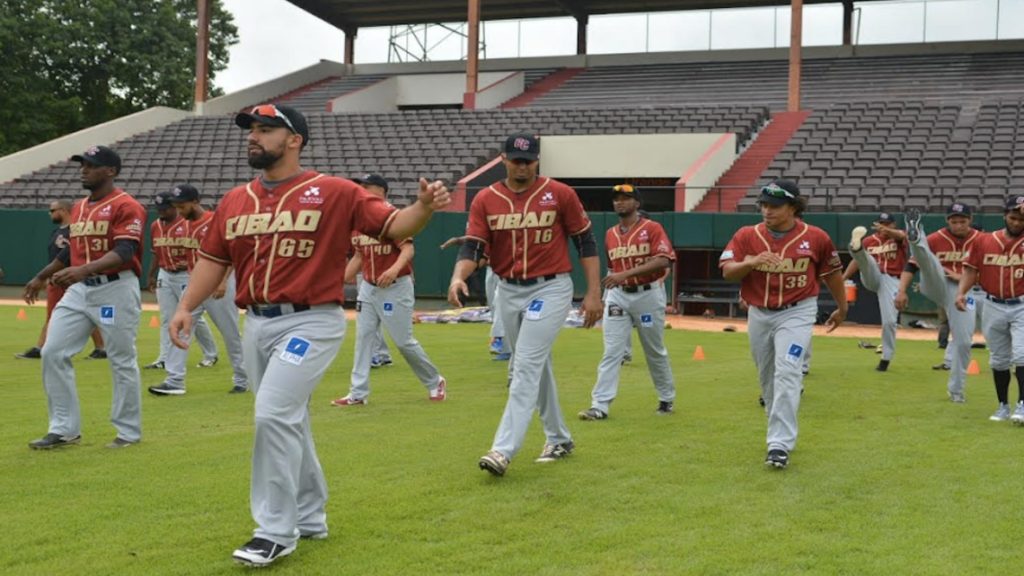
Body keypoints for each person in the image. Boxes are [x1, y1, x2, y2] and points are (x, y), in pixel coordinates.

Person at [168, 104, 449, 567]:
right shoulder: (235, 200)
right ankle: (312, 517)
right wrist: (185, 307)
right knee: (288, 419)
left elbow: (393, 226)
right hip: (257, 321)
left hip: (310, 321)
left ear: (294, 139)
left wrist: (422, 207)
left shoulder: (335, 191)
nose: (253, 136)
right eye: (251, 130)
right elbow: (213, 260)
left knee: (272, 414)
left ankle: (274, 531)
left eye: (265, 129)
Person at [448, 132, 602, 477]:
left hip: (550, 287)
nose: (522, 166)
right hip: (507, 289)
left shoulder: (559, 193)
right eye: (516, 160)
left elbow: (586, 242)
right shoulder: (486, 198)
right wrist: (458, 277)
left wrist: (593, 292)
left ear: (537, 161)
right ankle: (559, 438)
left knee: (525, 366)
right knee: (536, 365)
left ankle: (502, 450)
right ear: (503, 160)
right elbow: (473, 246)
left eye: (528, 160)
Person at [23, 145, 145, 449]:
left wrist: (82, 270)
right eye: (83, 164)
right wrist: (40, 276)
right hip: (80, 291)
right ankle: (64, 429)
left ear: (111, 171)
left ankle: (128, 431)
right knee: (53, 351)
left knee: (121, 359)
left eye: (91, 165)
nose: (84, 170)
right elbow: (70, 251)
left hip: (114, 290)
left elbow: (125, 251)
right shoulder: (78, 207)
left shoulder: (126, 205)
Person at [719, 180, 846, 470]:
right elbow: (728, 271)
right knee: (767, 378)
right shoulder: (746, 235)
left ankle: (779, 444)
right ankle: (775, 426)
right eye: (764, 205)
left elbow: (832, 274)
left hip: (798, 311)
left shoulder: (816, 237)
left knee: (788, 371)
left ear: (793, 207)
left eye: (775, 206)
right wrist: (751, 262)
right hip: (760, 313)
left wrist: (842, 307)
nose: (767, 211)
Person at [331, 174, 446, 406]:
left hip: (395, 287)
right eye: (360, 186)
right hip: (369, 287)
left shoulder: (391, 216)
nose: (361, 190)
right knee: (363, 339)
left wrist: (393, 270)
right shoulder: (359, 221)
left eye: (367, 186)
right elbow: (359, 255)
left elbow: (408, 250)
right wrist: (338, 281)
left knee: (403, 341)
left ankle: (435, 381)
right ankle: (358, 393)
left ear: (382, 190)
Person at [578, 184, 676, 420]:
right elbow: (612, 270)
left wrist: (625, 274)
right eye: (616, 199)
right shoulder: (610, 233)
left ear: (637, 203)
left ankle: (666, 397)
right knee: (612, 351)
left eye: (626, 198)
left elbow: (664, 260)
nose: (620, 202)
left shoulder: (652, 228)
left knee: (654, 350)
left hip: (647, 294)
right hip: (618, 295)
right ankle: (600, 405)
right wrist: (600, 298)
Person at [150, 184, 249, 395]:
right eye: (176, 206)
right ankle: (174, 381)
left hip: (218, 283)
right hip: (194, 283)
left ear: (195, 201)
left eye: (182, 205)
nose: (179, 210)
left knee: (230, 333)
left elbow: (230, 254)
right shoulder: (183, 225)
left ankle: (243, 379)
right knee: (179, 328)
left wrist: (223, 282)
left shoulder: (214, 221)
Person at [897, 204, 981, 403]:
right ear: (947, 221)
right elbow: (911, 267)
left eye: (962, 221)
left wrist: (962, 277)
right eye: (954, 221)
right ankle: (916, 238)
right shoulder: (937, 238)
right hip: (937, 283)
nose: (958, 225)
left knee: (963, 341)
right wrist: (901, 291)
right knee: (931, 263)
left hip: (964, 290)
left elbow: (991, 270)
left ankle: (956, 392)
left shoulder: (981, 240)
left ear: (970, 220)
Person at [956, 196, 1024, 423]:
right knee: (998, 359)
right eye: (1013, 217)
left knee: (1022, 354)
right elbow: (970, 270)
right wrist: (961, 293)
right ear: (1004, 216)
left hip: (1022, 304)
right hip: (993, 304)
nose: (1017, 223)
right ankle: (1003, 405)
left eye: (1021, 219)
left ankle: (1022, 404)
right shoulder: (984, 241)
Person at [16, 199, 106, 360]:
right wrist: (46, 277)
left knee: (67, 314)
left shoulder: (77, 231)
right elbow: (54, 259)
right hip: (57, 279)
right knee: (76, 314)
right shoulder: (56, 232)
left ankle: (41, 348)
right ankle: (101, 348)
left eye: (52, 211)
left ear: (63, 210)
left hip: (71, 279)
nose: (50, 214)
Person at [143, 191, 218, 371]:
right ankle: (163, 358)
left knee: (192, 318)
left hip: (186, 273)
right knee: (167, 318)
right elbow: (155, 253)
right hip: (165, 273)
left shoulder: (186, 223)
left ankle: (210, 353)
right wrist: (151, 274)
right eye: (159, 209)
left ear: (175, 207)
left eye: (165, 209)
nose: (161, 212)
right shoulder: (155, 225)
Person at [845, 212, 908, 372]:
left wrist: (889, 231)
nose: (883, 227)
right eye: (881, 224)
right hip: (872, 275)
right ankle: (856, 247)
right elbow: (857, 262)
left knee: (889, 321)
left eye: (887, 224)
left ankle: (886, 358)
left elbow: (902, 236)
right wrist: (843, 277)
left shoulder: (898, 237)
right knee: (868, 260)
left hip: (891, 280)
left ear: (893, 225)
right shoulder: (869, 240)